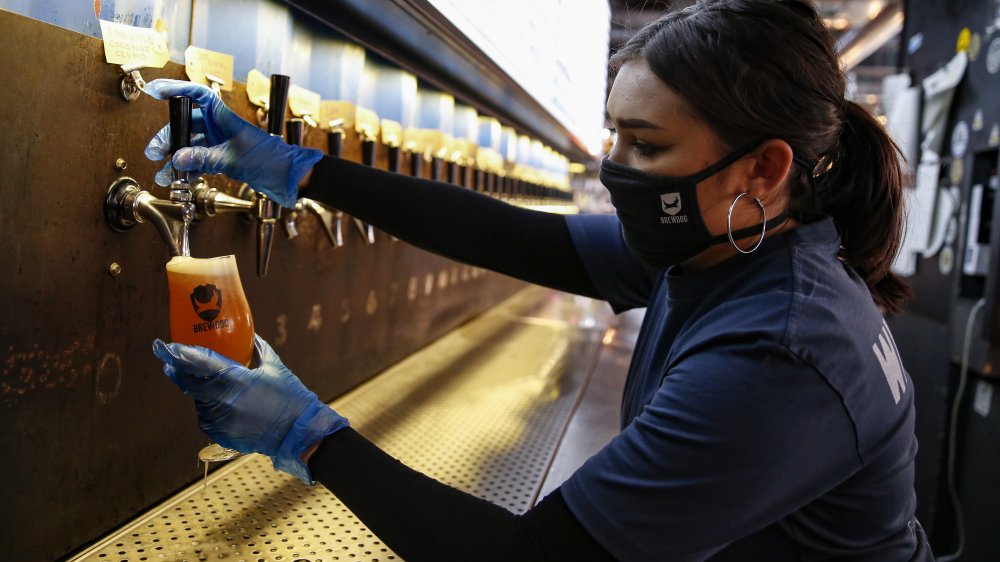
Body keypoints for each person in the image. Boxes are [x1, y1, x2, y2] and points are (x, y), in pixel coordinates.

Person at [148, 0, 934, 560]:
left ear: (761, 170)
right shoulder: (725, 247)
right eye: (613, 136)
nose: (613, 168)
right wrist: (301, 169)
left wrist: (309, 438)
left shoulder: (782, 352)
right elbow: (533, 238)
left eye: (647, 146)